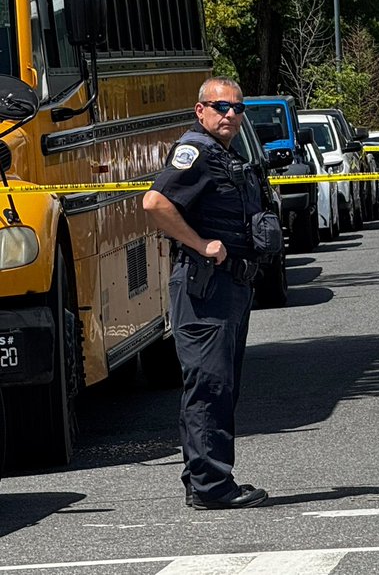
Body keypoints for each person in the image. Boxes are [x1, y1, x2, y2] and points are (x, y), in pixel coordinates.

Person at [142, 77, 269, 510]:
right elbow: (155, 203)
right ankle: (213, 487)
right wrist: (200, 244)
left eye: (237, 108)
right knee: (209, 386)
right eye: (220, 107)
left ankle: (203, 480)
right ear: (200, 110)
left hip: (229, 285)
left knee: (218, 386)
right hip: (204, 286)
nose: (230, 114)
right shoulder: (194, 151)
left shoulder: (225, 154)